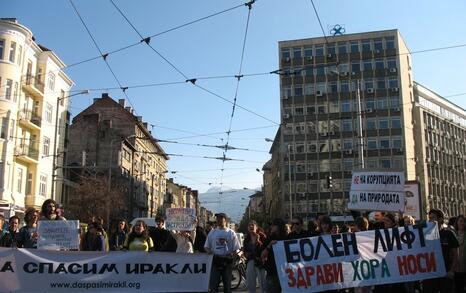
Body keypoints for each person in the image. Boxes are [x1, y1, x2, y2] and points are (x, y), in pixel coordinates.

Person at [423, 209, 459, 293]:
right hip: (430, 274)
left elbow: (456, 254)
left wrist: (451, 271)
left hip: (445, 273)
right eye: (429, 218)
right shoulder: (425, 235)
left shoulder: (448, 233)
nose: (431, 220)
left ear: (440, 219)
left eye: (433, 218)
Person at [204, 213, 241, 293]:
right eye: (217, 218)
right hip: (215, 261)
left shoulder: (231, 233)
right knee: (213, 286)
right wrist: (211, 253)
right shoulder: (212, 232)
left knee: (227, 286)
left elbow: (236, 249)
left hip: (227, 262)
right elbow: (206, 247)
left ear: (226, 220)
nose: (219, 220)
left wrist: (233, 261)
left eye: (221, 218)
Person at [261, 218, 289, 293]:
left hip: (286, 273)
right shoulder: (269, 238)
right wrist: (269, 245)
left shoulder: (287, 238)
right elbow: (262, 255)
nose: (271, 227)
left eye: (273, 225)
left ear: (279, 227)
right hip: (272, 273)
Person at [243, 220, 267, 293]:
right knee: (250, 283)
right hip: (251, 261)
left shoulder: (262, 236)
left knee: (263, 284)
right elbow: (245, 251)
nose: (251, 226)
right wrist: (246, 254)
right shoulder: (247, 238)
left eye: (253, 225)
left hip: (260, 262)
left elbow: (265, 248)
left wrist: (258, 241)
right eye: (249, 225)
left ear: (256, 227)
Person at [455, 215, 466, 293]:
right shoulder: (452, 234)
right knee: (458, 288)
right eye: (460, 221)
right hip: (455, 268)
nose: (462, 223)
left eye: (464, 221)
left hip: (465, 266)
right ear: (457, 222)